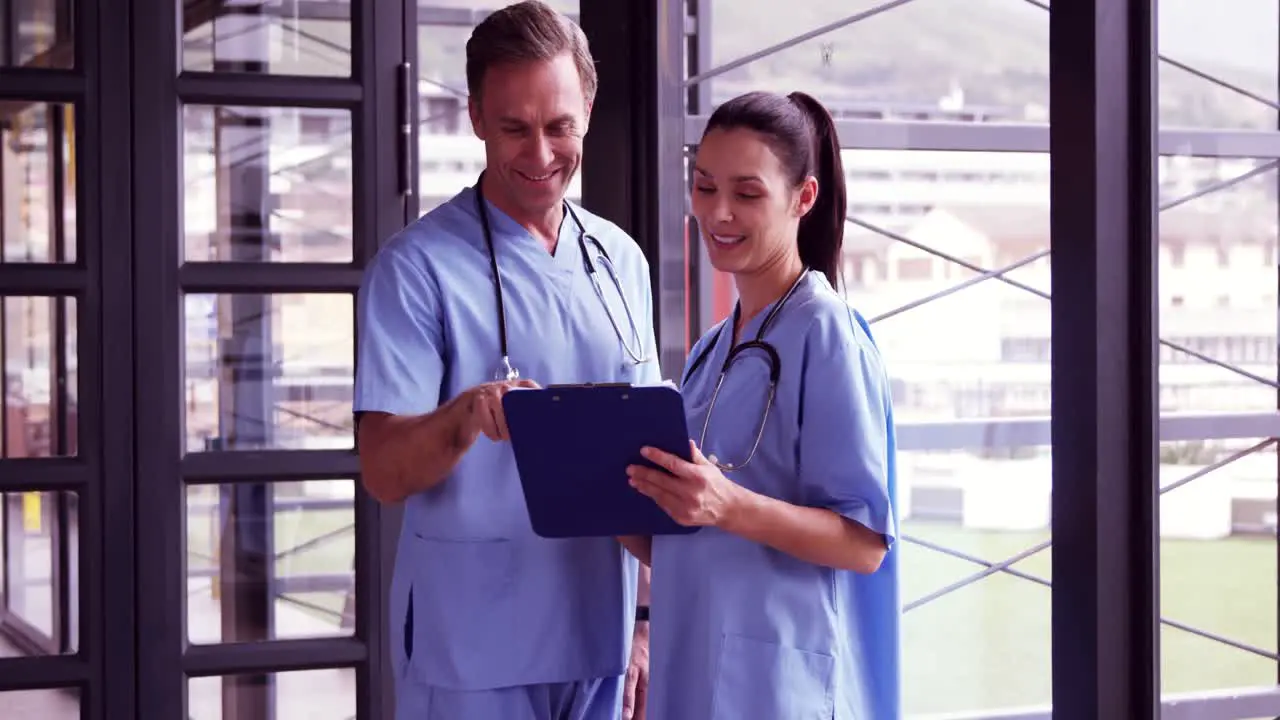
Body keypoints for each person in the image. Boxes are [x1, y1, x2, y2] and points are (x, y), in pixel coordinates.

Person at [353, 2, 658, 718]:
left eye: (559, 127)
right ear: (477, 118)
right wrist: (461, 419)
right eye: (515, 128)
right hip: (472, 645)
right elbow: (384, 470)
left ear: (587, 108)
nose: (541, 154)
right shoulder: (417, 269)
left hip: (599, 637)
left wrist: (645, 625)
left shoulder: (620, 262)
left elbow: (648, 463)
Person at [620, 90, 901, 720]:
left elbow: (864, 542)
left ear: (803, 197)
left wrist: (727, 505)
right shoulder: (712, 349)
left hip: (779, 685)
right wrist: (593, 487)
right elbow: (691, 534)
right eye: (704, 187)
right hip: (694, 669)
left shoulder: (826, 332)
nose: (718, 212)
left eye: (747, 194)